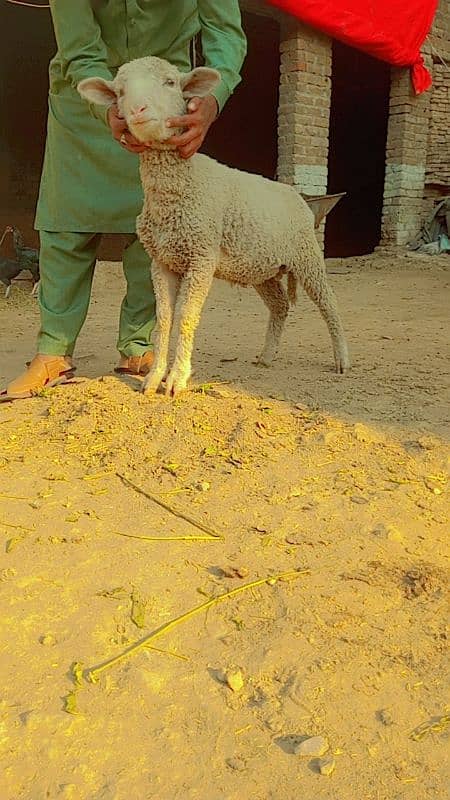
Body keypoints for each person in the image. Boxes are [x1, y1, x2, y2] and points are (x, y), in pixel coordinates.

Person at [3, 0, 246, 399]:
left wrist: (211, 102)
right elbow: (81, 50)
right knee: (66, 222)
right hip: (90, 94)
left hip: (165, 96)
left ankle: (136, 346)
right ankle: (53, 352)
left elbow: (225, 33)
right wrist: (110, 110)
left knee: (154, 220)